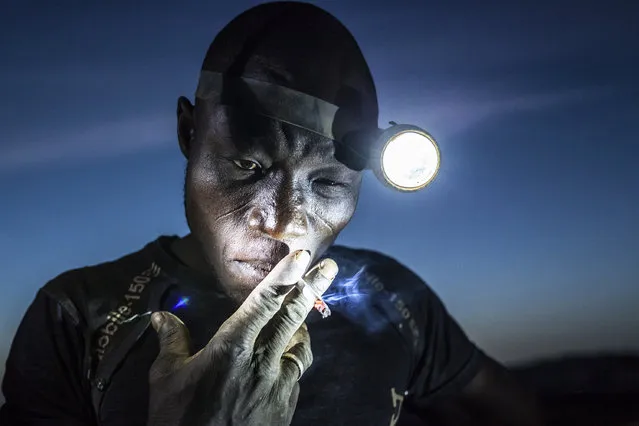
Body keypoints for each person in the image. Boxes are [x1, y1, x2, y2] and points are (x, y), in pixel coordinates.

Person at [0, 2, 545, 425]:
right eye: (247, 165)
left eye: (328, 182)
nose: (285, 221)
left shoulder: (394, 299)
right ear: (190, 133)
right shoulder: (73, 317)